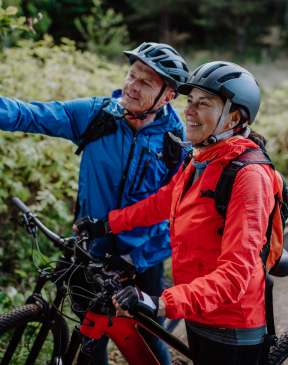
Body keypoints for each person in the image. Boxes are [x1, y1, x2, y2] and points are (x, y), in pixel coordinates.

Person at [0, 42, 191, 365]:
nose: (132, 85)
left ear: (168, 95)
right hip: (92, 250)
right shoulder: (97, 115)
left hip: (142, 260)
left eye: (146, 82)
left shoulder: (179, 145)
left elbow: (182, 218)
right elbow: (30, 115)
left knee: (148, 335)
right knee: (90, 341)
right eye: (132, 74)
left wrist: (136, 259)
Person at [74, 61, 275, 365]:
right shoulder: (201, 159)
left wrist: (158, 301)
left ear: (234, 116)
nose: (189, 111)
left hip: (229, 324)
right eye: (189, 101)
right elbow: (163, 201)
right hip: (196, 309)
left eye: (203, 103)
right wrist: (106, 225)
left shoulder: (248, 176)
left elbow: (236, 275)